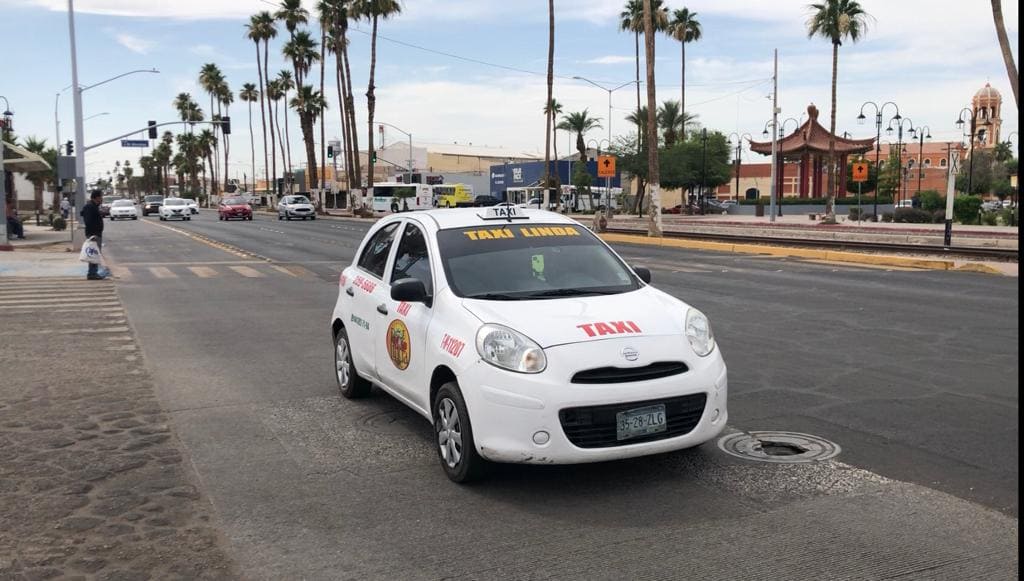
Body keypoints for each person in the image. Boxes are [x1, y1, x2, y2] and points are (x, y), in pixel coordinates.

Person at [81, 190, 106, 280]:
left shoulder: (94, 206)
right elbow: (88, 221)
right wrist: (93, 234)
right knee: (93, 254)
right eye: (101, 197)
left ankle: (93, 273)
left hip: (96, 234)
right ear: (97, 197)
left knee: (94, 254)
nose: (102, 198)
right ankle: (92, 273)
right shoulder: (90, 207)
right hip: (93, 235)